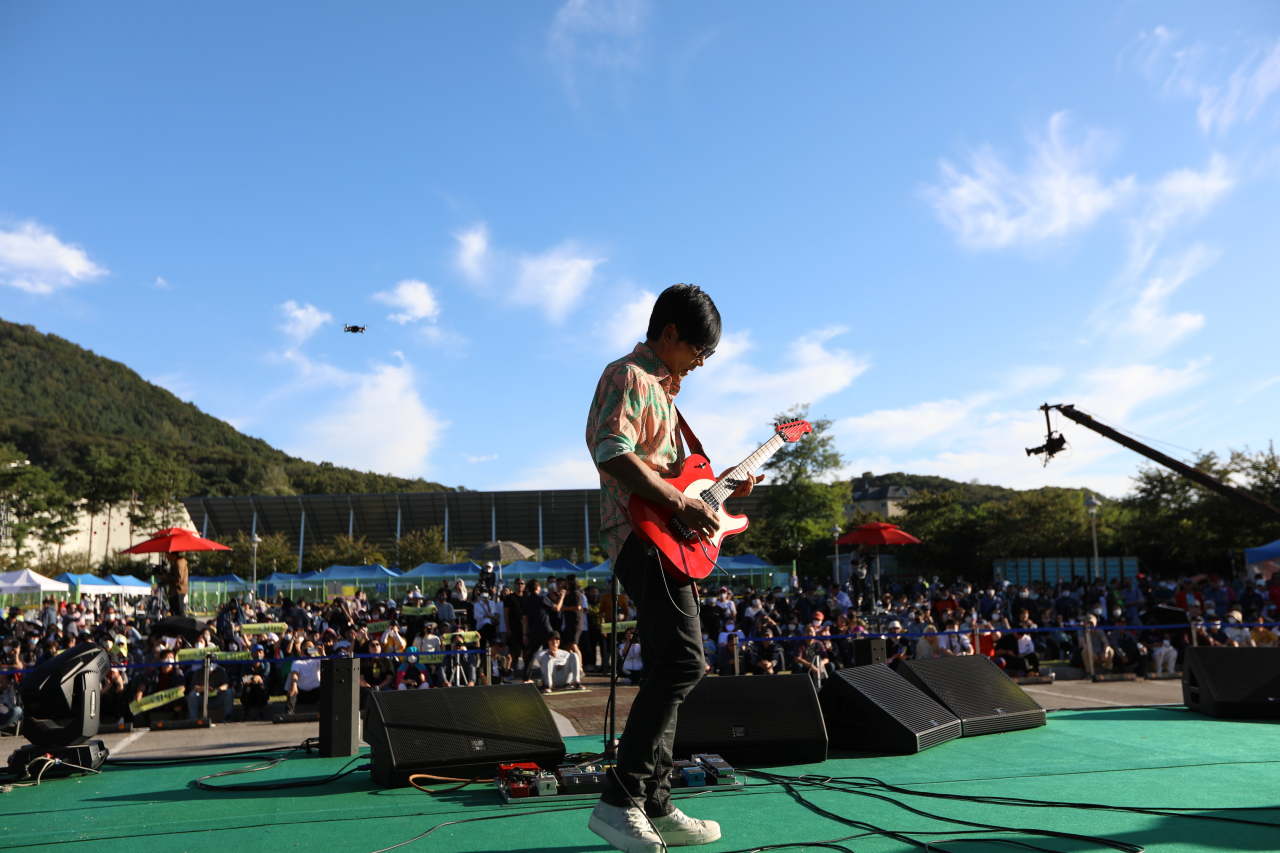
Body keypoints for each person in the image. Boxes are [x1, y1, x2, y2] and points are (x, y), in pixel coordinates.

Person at [585, 285, 753, 851]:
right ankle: (619, 799)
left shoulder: (667, 395)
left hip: (667, 538)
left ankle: (655, 802)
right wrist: (680, 503)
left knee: (667, 663)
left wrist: (718, 486)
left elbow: (679, 477)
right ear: (672, 334)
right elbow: (611, 449)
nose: (702, 363)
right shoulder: (628, 375)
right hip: (640, 535)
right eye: (700, 351)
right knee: (686, 660)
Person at [285, 642, 323, 712]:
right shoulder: (297, 662)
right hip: (301, 693)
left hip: (315, 692)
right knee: (292, 690)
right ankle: (289, 711)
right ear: (301, 650)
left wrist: (322, 654)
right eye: (305, 646)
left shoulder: (317, 660)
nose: (308, 648)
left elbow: (327, 666)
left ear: (314, 649)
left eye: (310, 646)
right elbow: (294, 674)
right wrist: (294, 685)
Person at [159, 552, 190, 617]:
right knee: (174, 611)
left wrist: (166, 578)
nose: (166, 556)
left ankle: (182, 625)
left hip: (179, 591)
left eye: (167, 554)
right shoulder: (176, 563)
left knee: (179, 611)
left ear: (173, 555)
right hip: (175, 592)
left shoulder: (179, 563)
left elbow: (179, 578)